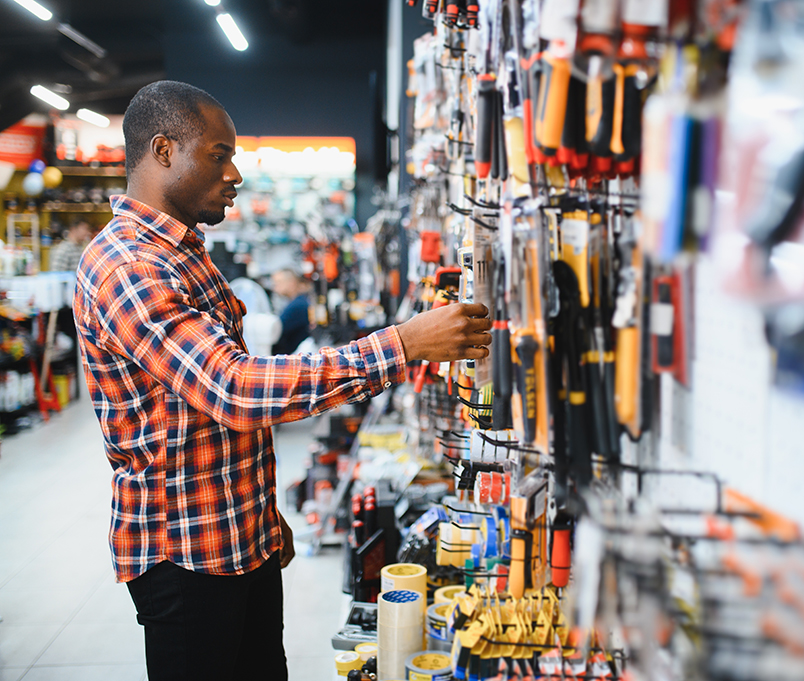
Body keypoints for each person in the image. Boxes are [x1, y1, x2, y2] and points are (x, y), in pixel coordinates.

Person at [72, 81, 491, 681]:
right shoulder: (130, 267)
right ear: (163, 151)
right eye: (219, 155)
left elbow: (204, 421)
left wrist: (262, 519)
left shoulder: (183, 251)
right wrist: (402, 345)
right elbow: (234, 389)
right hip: (187, 559)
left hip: (237, 536)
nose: (235, 173)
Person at [270, 268, 311, 354]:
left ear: (291, 283)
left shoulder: (297, 305)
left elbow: (275, 329)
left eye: (278, 283)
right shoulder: (301, 300)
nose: (274, 287)